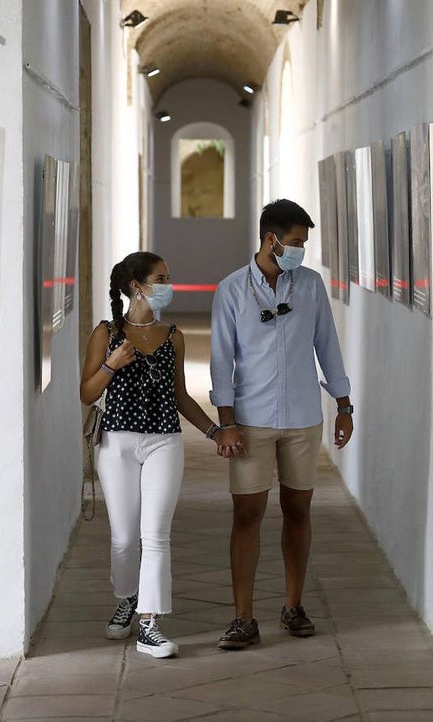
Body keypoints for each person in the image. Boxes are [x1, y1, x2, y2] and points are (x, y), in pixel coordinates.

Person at [210, 199, 353, 650]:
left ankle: (293, 605)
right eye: (295, 243)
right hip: (251, 420)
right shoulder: (232, 290)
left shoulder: (309, 287)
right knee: (247, 514)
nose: (301, 251)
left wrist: (344, 404)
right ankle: (243, 617)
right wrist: (225, 423)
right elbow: (220, 361)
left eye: (304, 244)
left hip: (303, 417)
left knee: (298, 509)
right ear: (270, 239)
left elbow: (327, 345)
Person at [79, 251, 228, 659]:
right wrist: (112, 364)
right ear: (137, 287)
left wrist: (215, 430)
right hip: (118, 445)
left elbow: (181, 395)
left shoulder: (173, 335)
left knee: (156, 535)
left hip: (164, 441)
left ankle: (149, 623)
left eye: (168, 277)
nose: (168, 284)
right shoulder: (107, 333)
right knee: (125, 538)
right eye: (161, 278)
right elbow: (87, 393)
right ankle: (127, 598)